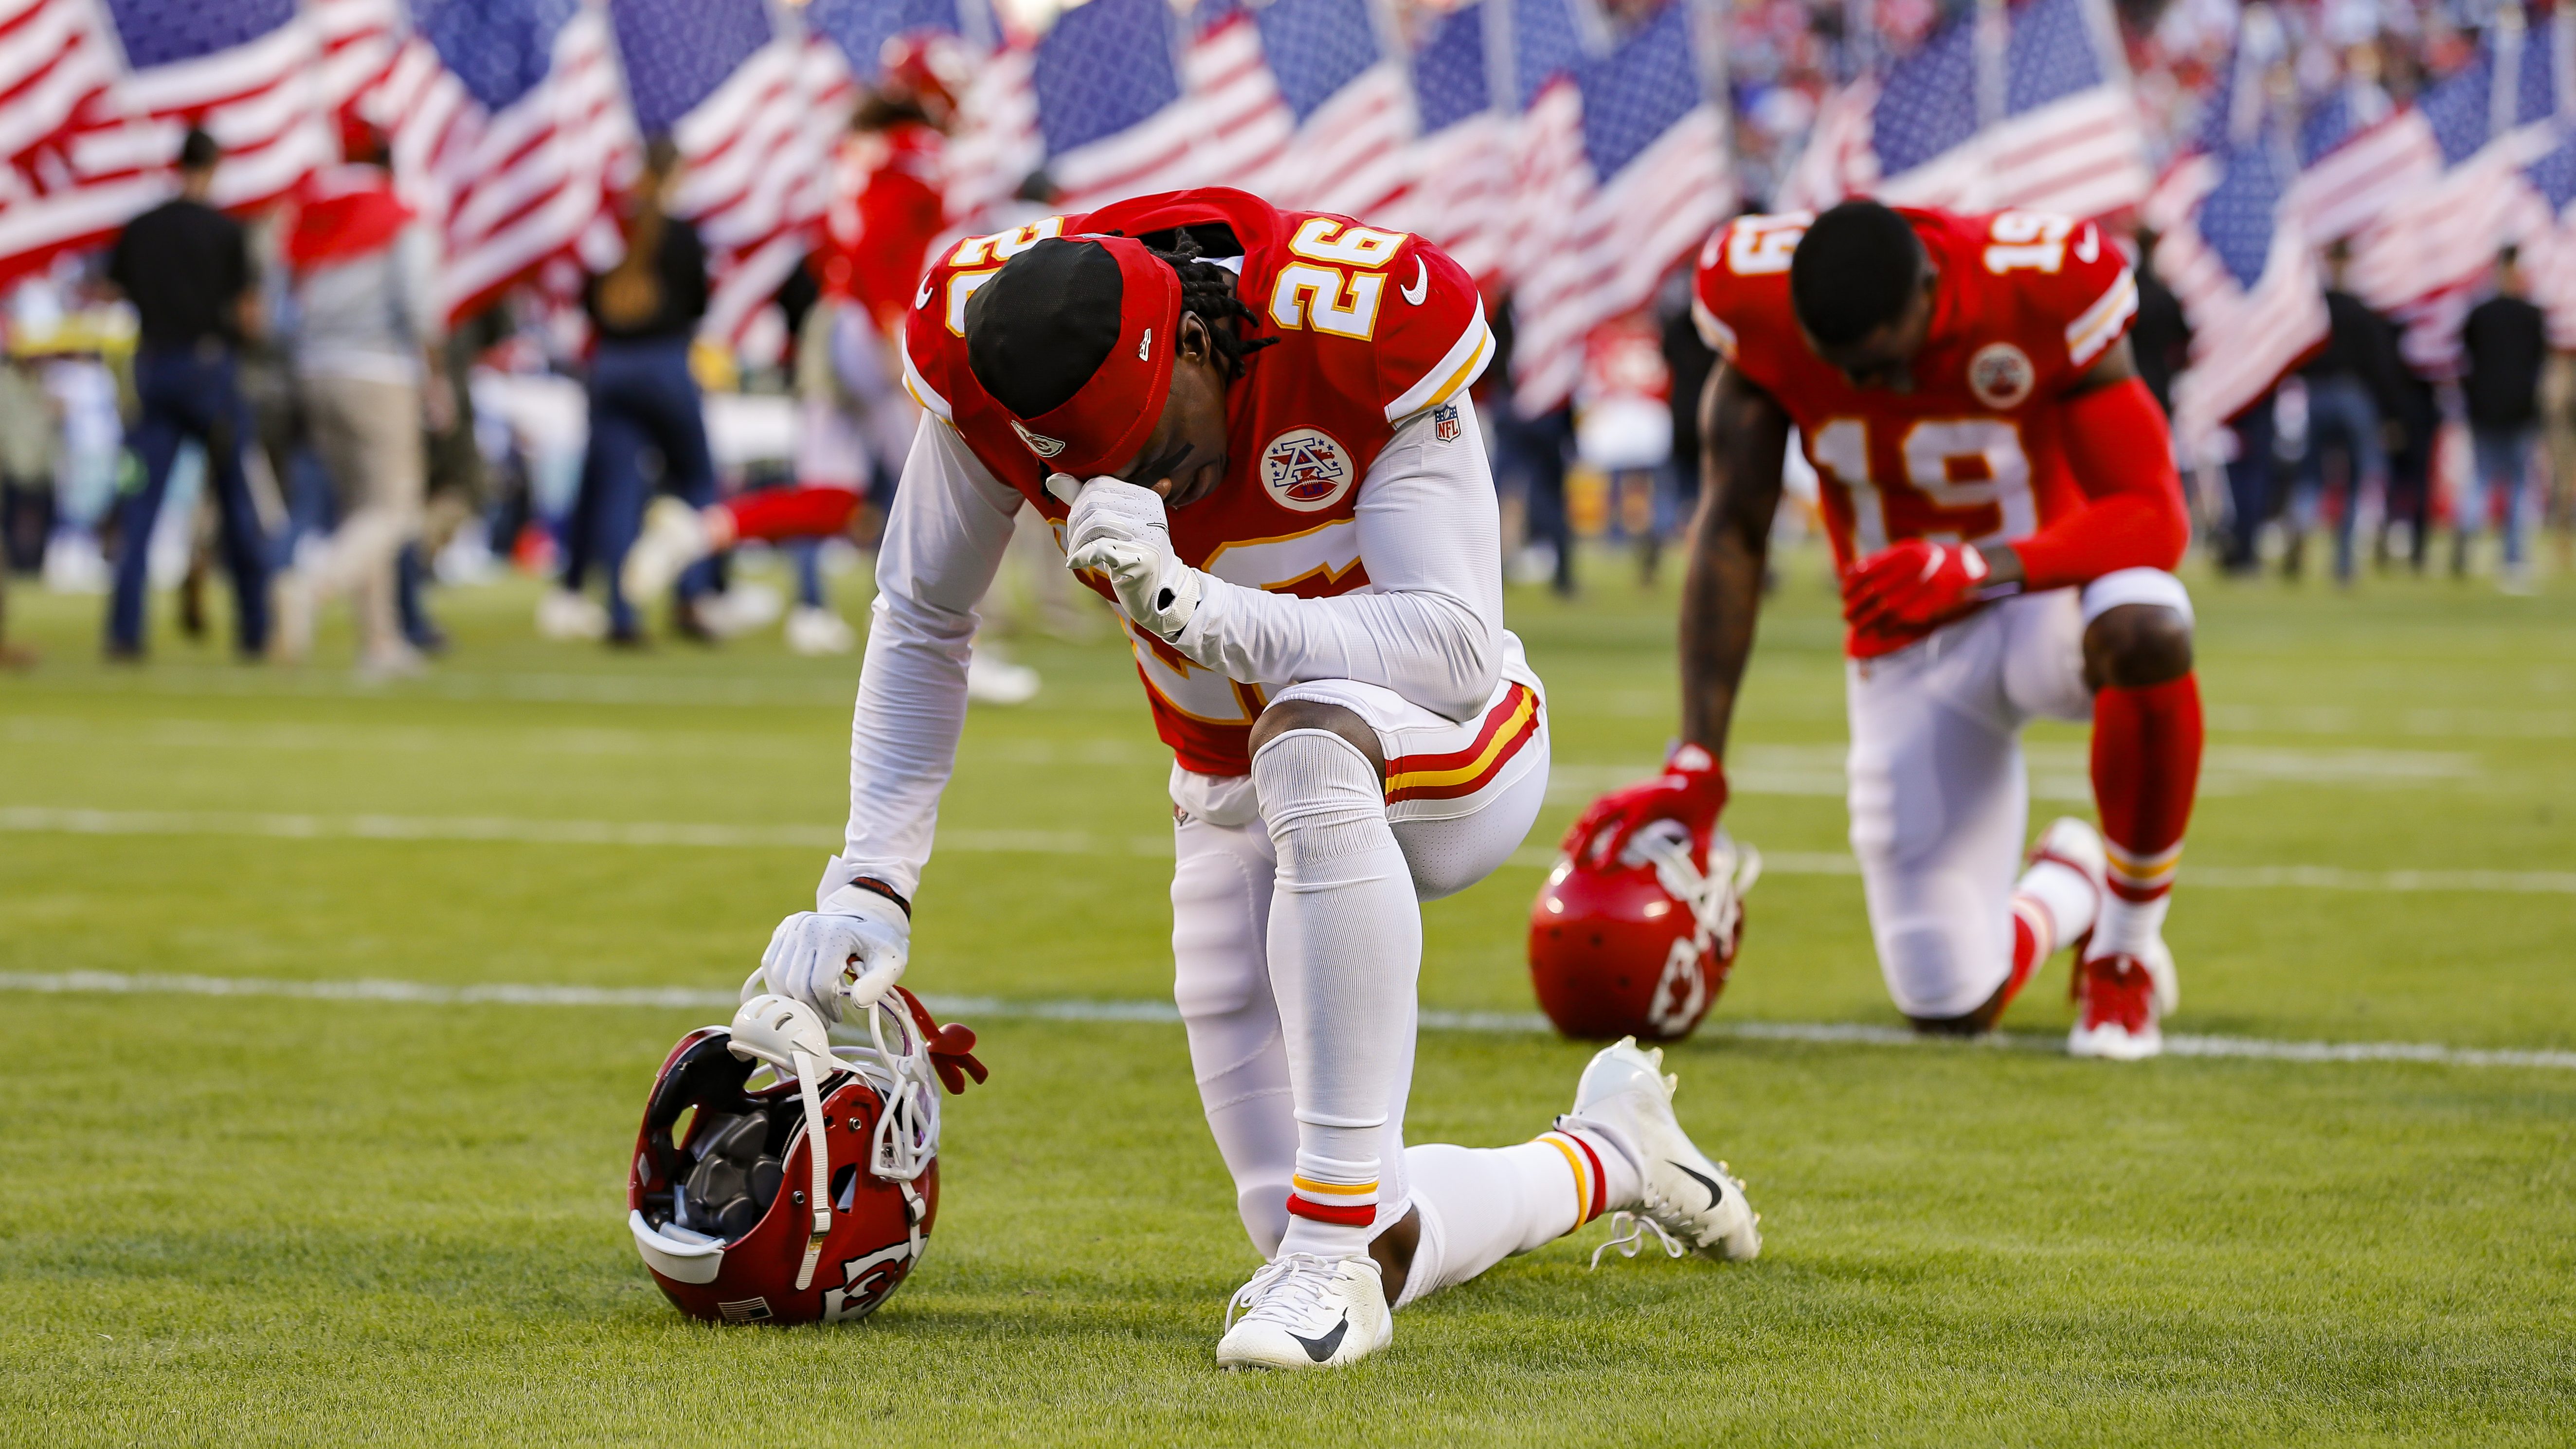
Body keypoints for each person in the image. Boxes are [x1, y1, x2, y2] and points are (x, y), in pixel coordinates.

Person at [747, 189, 1761, 1371]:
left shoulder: (1357, 319)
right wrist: (870, 878)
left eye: (1145, 440)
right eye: (1086, 470)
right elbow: (923, 618)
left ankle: (1330, 1268)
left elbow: (1449, 646)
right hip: (1221, 790)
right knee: (1344, 1215)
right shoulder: (987, 354)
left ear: (1193, 337)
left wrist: (1202, 608)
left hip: (1449, 743)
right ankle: (1610, 1153)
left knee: (1312, 745)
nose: (1132, 480)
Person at [1603, 199, 2202, 1058]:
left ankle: (2126, 952)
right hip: (1901, 635)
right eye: (1842, 369)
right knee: (1951, 1002)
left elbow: (2153, 516)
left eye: (1882, 362)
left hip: (2044, 594)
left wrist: (1975, 566)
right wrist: (1698, 755)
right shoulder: (1754, 303)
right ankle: (2072, 882)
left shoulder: (2037, 285)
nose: (1871, 387)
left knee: (2148, 627)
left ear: (1929, 291)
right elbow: (1733, 525)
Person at [273, 129, 444, 676]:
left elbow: (281, 308)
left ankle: (381, 641)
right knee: (395, 507)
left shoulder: (309, 215)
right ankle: (311, 585)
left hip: (314, 368)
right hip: (379, 370)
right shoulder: (396, 218)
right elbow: (418, 305)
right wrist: (435, 376)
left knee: (362, 510)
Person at [102, 128, 270, 660]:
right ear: (215, 166)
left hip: (154, 368)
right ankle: (256, 628)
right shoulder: (226, 232)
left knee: (141, 505)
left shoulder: (142, 228)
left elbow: (112, 290)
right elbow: (250, 315)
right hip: (208, 368)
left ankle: (125, 631)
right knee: (238, 502)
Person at [546, 137, 716, 646]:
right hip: (663, 360)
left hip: (611, 365)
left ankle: (622, 611)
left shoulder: (609, 231)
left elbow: (584, 299)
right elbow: (698, 304)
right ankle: (691, 593)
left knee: (617, 491)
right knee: (696, 480)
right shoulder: (680, 234)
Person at [2286, 240, 2404, 584]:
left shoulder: (2313, 309)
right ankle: (2343, 561)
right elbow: (2381, 366)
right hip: (2353, 394)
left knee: (2310, 475)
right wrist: (2391, 414)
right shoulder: (2359, 311)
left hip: (2317, 393)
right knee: (2357, 476)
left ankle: (2301, 528)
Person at [2458, 246, 2547, 594]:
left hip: (2488, 408)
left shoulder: (2482, 314)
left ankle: (2468, 544)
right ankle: (2507, 556)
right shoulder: (2528, 315)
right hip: (2516, 410)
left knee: (2485, 481)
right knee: (2512, 485)